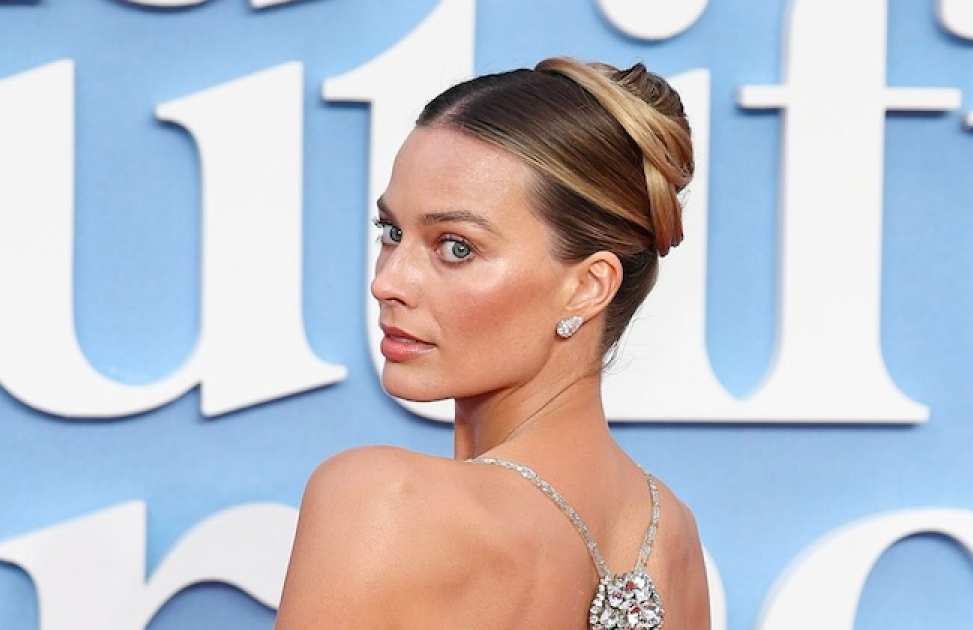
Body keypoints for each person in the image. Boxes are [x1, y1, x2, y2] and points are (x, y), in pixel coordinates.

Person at [274, 56, 711, 629]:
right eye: (392, 232)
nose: (388, 282)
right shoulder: (671, 535)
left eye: (456, 247)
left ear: (587, 287)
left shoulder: (383, 502)